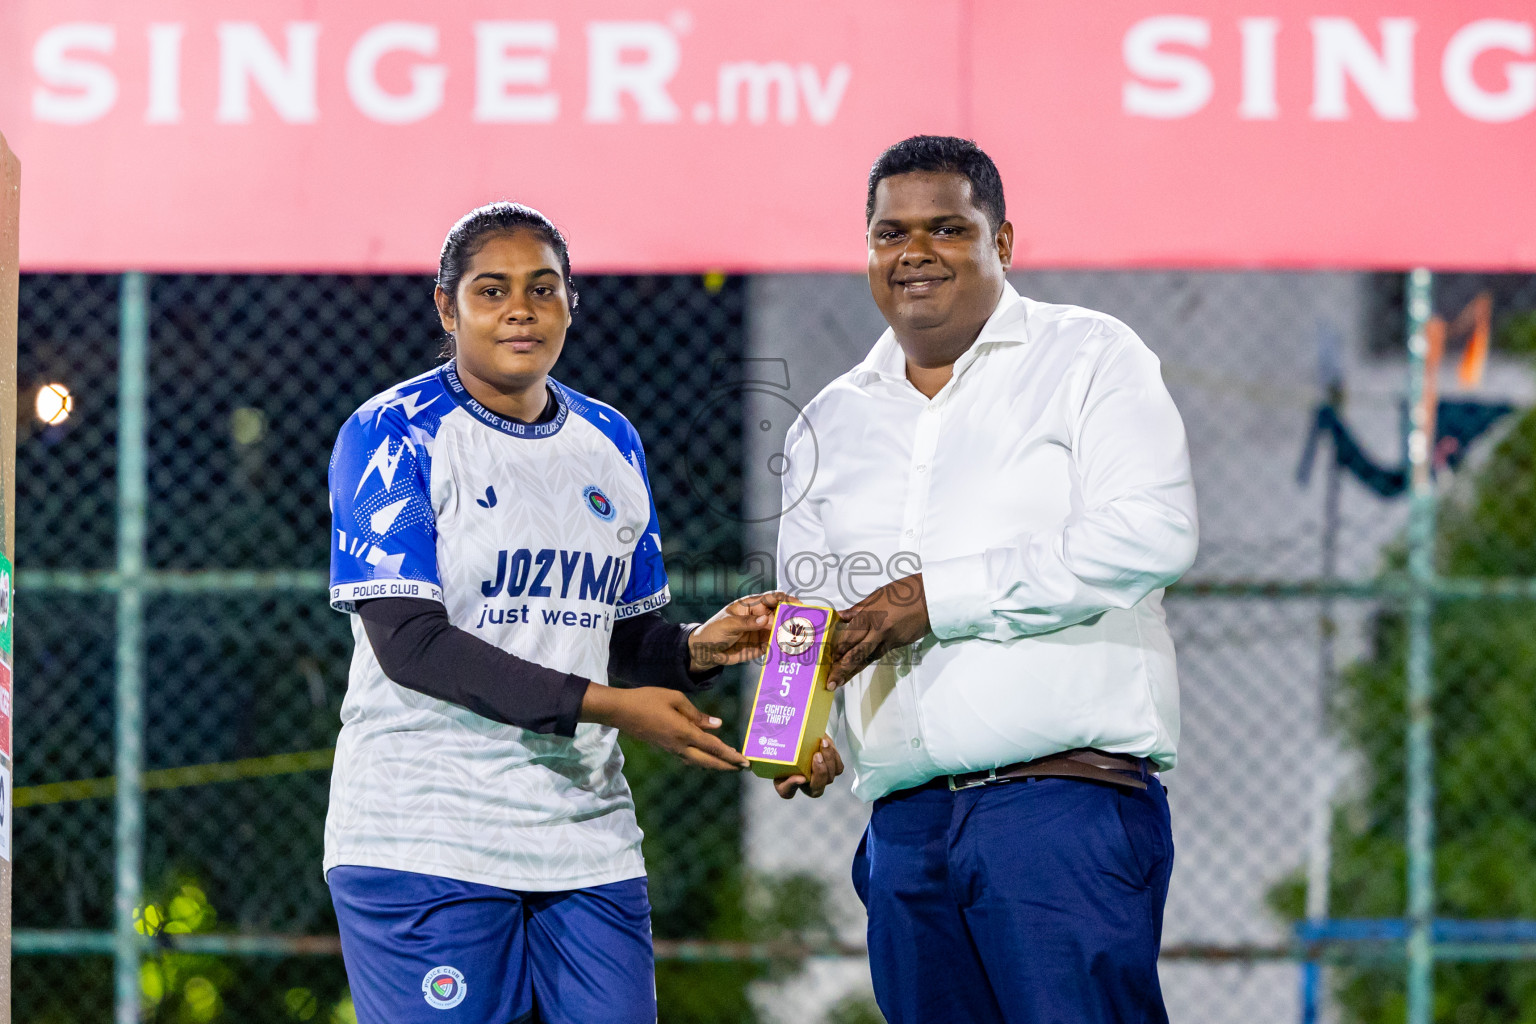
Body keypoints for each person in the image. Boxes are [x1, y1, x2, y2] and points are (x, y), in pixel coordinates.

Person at [324, 201, 785, 1023]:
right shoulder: (392, 433)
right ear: (446, 305)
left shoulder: (609, 440)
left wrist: (701, 650)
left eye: (543, 289)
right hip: (426, 833)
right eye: (491, 290)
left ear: (573, 301)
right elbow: (413, 645)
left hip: (585, 835)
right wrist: (613, 710)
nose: (520, 310)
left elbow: (619, 640)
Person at [774, 137, 1199, 1023]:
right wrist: (796, 726)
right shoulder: (828, 422)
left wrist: (932, 598)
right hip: (905, 831)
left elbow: (1152, 531)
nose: (914, 252)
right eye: (890, 232)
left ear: (1002, 242)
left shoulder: (1089, 357)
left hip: (1060, 807)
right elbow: (807, 612)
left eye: (947, 228)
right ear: (867, 249)